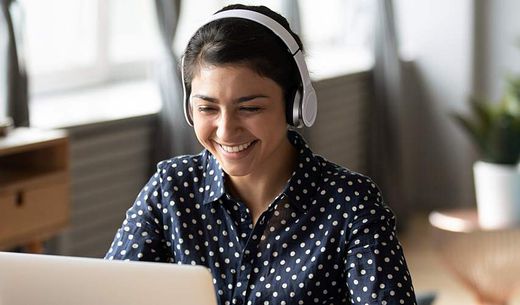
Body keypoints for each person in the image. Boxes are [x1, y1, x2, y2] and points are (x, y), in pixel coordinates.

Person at [105, 4, 417, 305]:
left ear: (295, 105)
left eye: (250, 108)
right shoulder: (171, 188)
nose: (226, 131)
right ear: (189, 109)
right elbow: (108, 292)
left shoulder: (350, 203)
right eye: (207, 108)